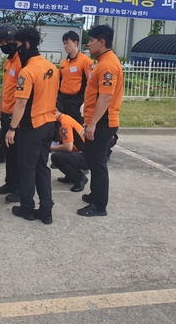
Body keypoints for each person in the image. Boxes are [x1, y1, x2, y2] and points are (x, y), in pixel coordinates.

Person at [5, 27, 59, 225]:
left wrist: (12, 128)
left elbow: (21, 103)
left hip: (32, 126)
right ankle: (46, 209)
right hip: (48, 125)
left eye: (18, 46)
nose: (17, 50)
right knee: (42, 167)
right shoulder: (52, 68)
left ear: (27, 45)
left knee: (27, 168)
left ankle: (27, 207)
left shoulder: (27, 72)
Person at [77, 24, 123, 217]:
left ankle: (99, 205)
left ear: (102, 42)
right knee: (94, 160)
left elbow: (105, 96)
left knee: (98, 163)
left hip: (102, 122)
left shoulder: (107, 65)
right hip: (98, 120)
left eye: (92, 40)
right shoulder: (102, 61)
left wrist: (93, 123)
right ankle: (95, 194)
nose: (88, 44)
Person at [0, 24, 23, 203]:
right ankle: (10, 183)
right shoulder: (8, 61)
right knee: (9, 152)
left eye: (3, 42)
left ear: (12, 40)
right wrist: (0, 107)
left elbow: (22, 94)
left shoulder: (21, 60)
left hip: (16, 116)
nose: (2, 46)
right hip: (6, 112)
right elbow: (6, 87)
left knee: (17, 154)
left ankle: (19, 187)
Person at [50, 101, 89, 193]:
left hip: (86, 155)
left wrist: (50, 148)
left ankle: (80, 178)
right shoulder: (63, 119)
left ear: (55, 110)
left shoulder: (64, 123)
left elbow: (68, 147)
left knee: (56, 157)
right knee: (59, 155)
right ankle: (70, 176)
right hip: (83, 152)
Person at [58, 30, 93, 126]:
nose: (65, 46)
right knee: (63, 127)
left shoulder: (85, 61)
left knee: (76, 127)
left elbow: (91, 83)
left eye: (67, 43)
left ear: (75, 43)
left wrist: (86, 102)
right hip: (63, 100)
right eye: (64, 43)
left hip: (77, 100)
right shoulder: (63, 63)